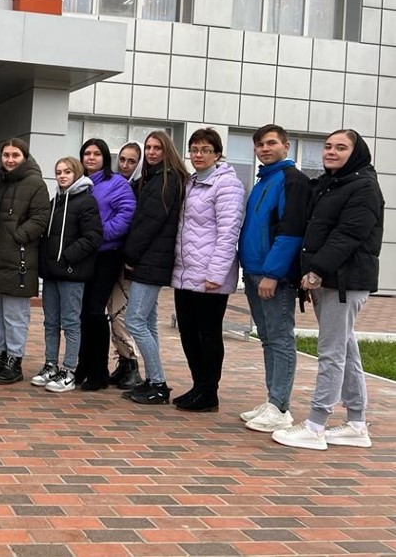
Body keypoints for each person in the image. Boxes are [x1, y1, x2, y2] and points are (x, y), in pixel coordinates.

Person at [273, 129, 383, 451]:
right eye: (328, 146)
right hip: (331, 280)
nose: (331, 152)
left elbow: (348, 235)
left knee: (331, 353)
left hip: (343, 282)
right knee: (346, 350)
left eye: (341, 147)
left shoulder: (364, 187)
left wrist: (316, 271)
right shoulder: (330, 183)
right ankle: (357, 424)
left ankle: (316, 425)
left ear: (356, 153)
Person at [238, 124, 310, 433]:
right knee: (267, 338)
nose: (264, 149)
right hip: (254, 272)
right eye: (259, 145)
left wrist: (273, 273)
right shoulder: (263, 180)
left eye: (270, 143)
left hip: (273, 277)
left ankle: (280, 407)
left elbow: (291, 231)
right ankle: (273, 400)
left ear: (286, 145)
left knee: (280, 339)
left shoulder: (292, 180)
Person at [171, 128, 245, 412]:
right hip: (186, 272)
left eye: (205, 150)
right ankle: (197, 386)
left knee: (208, 334)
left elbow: (228, 233)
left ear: (217, 154)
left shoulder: (227, 185)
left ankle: (209, 392)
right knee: (188, 332)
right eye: (194, 149)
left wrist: (215, 274)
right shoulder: (190, 183)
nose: (198, 155)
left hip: (210, 275)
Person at [121, 130, 188, 405]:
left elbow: (148, 223)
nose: (151, 152)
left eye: (157, 148)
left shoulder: (166, 180)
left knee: (134, 321)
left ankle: (158, 384)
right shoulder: (154, 178)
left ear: (167, 150)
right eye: (148, 148)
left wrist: (130, 255)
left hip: (150, 260)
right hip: (152, 258)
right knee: (147, 322)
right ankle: (153, 379)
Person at [0, 138, 50, 385]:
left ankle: (14, 361)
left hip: (19, 260)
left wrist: (18, 235)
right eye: (6, 155)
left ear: (25, 157)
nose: (10, 160)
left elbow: (41, 217)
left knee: (15, 316)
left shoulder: (35, 183)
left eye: (15, 155)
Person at [33, 157, 104, 393]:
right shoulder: (55, 201)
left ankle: (69, 370)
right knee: (50, 322)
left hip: (72, 274)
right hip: (51, 273)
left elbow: (93, 236)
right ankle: (50, 365)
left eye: (67, 172)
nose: (62, 176)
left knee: (71, 323)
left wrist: (67, 256)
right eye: (59, 172)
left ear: (77, 174)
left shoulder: (86, 202)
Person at [77, 139, 136, 390]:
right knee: (82, 313)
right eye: (87, 153)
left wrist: (98, 235)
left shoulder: (117, 183)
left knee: (94, 311)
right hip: (83, 255)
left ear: (104, 158)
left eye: (96, 154)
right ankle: (83, 365)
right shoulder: (79, 183)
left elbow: (126, 215)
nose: (91, 157)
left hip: (106, 255)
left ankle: (99, 372)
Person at [106, 140, 143, 388]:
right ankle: (123, 361)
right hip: (113, 259)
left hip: (130, 263)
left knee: (121, 314)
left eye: (132, 161)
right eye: (122, 159)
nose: (125, 165)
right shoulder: (117, 184)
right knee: (112, 311)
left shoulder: (141, 187)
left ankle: (132, 364)